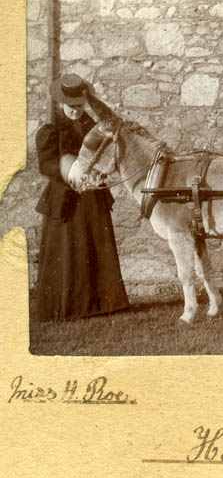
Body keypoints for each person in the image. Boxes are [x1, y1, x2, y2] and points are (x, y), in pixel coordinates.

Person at [34, 73, 129, 321]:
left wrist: (99, 172)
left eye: (79, 106)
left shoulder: (92, 127)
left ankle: (102, 305)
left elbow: (105, 154)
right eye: (71, 106)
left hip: (92, 195)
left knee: (97, 246)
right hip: (66, 198)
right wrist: (67, 169)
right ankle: (66, 307)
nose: (76, 110)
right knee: (67, 251)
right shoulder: (51, 130)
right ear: (60, 103)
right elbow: (45, 164)